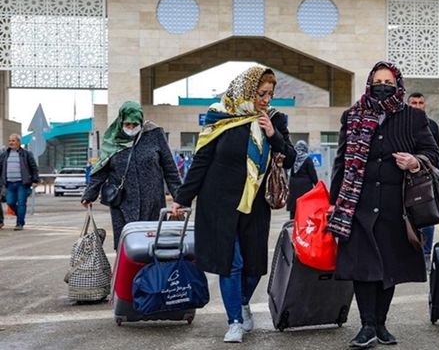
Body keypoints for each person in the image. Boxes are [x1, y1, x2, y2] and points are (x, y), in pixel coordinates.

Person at [169, 66, 295, 343]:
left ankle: (242, 303)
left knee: (254, 268)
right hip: (218, 203)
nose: (266, 99)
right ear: (247, 91)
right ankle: (234, 321)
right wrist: (181, 198)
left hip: (255, 205)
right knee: (232, 264)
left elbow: (291, 157)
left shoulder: (274, 119)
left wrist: (273, 134)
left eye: (270, 94)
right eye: (261, 93)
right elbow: (201, 162)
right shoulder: (220, 118)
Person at [328, 61, 439, 348]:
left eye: (389, 83)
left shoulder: (413, 118)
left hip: (396, 205)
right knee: (362, 266)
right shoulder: (352, 116)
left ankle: (381, 323)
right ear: (369, 83)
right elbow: (341, 161)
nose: (382, 86)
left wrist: (416, 162)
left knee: (387, 265)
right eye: (378, 81)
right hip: (358, 202)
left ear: (398, 86)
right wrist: (334, 202)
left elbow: (432, 153)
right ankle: (366, 325)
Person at [81, 101, 181, 250]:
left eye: (135, 125)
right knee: (126, 248)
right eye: (127, 124)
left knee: (152, 247)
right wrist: (89, 194)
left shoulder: (154, 134)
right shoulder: (113, 140)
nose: (131, 128)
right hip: (122, 204)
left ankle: (150, 274)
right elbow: (101, 170)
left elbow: (170, 169)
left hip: (152, 203)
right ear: (121, 121)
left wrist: (180, 198)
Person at [407, 92, 439, 270]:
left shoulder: (432, 126)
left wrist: (438, 180)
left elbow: (436, 153)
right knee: (407, 220)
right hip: (405, 180)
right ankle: (410, 255)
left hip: (424, 179)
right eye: (414, 102)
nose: (417, 106)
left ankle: (426, 254)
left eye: (421, 102)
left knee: (428, 217)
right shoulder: (401, 124)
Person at [0, 134, 39, 231]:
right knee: (10, 202)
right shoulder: (4, 155)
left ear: (18, 142)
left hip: (22, 183)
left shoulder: (26, 154)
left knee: (21, 203)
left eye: (13, 141)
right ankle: (21, 216)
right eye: (9, 141)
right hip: (9, 183)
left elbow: (34, 168)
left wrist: (35, 180)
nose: (10, 143)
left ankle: (19, 223)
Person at [286, 140, 318, 220]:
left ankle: (292, 227)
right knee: (305, 210)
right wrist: (317, 185)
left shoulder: (292, 158)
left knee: (294, 209)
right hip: (305, 188)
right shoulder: (307, 159)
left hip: (293, 187)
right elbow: (313, 175)